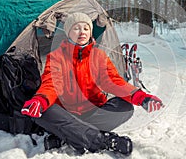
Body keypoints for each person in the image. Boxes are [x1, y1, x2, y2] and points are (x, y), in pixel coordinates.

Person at [21, 12, 163, 156]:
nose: (82, 32)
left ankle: (69, 135)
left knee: (125, 107)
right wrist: (40, 100)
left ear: (90, 32)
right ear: (68, 32)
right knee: (43, 112)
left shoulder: (99, 56)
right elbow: (51, 84)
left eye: (86, 28)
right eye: (76, 28)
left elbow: (114, 82)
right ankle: (104, 141)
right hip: (66, 114)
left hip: (93, 112)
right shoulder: (57, 57)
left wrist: (141, 97)